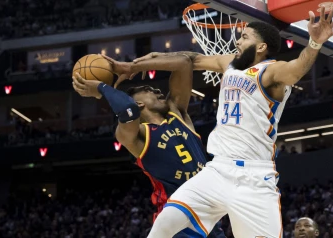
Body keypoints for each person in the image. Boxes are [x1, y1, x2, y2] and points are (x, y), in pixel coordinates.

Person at [108, 7, 333, 238]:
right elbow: (189, 59)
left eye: (244, 37)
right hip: (218, 170)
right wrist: (134, 65)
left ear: (261, 47)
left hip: (253, 178)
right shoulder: (230, 63)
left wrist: (314, 43)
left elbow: (296, 70)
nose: (237, 41)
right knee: (164, 224)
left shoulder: (271, 72)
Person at [72, 55, 225, 238]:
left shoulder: (178, 114)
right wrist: (100, 87)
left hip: (209, 217)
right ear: (139, 103)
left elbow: (184, 63)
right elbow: (128, 110)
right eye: (148, 89)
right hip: (177, 222)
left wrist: (133, 67)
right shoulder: (136, 135)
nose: (158, 91)